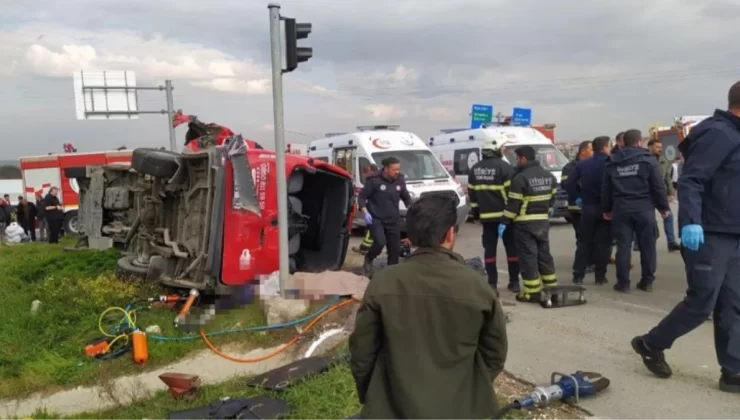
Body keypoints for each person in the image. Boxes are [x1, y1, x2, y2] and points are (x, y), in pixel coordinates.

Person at [349, 194, 508, 419]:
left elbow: (362, 352)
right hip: (460, 409)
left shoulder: (384, 282)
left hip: (392, 408)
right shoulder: (477, 286)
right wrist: (470, 391)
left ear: (410, 237)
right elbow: (494, 353)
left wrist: (373, 395)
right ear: (450, 233)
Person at [631, 81, 740, 393]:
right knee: (702, 302)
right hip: (709, 234)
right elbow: (692, 180)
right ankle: (651, 344)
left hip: (732, 234)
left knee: (733, 304)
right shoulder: (719, 134)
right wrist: (690, 222)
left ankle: (733, 370)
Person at [602, 129, 670, 293]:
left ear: (623, 143)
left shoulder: (612, 161)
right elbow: (659, 186)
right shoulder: (648, 160)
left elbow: (606, 189)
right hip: (644, 209)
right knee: (648, 246)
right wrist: (663, 207)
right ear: (640, 142)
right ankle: (647, 281)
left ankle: (623, 283)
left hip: (621, 209)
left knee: (623, 247)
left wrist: (607, 209)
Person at [499, 146, 559, 302]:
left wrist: (504, 222)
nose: (516, 162)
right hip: (542, 223)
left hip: (525, 224)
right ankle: (552, 288)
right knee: (544, 255)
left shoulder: (520, 178)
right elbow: (552, 200)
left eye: (517, 159)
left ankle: (532, 293)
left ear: (524, 158)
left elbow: (513, 204)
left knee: (528, 257)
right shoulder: (550, 177)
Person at [467, 132, 520, 294]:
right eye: (503, 147)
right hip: (505, 219)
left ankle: (492, 284)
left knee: (490, 252)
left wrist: (476, 215)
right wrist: (511, 215)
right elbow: (511, 195)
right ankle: (514, 282)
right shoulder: (506, 168)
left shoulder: (475, 169)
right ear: (496, 148)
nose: (504, 150)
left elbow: (473, 196)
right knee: (512, 250)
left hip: (486, 219)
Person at [567, 136, 612, 285]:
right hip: (606, 208)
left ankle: (578, 275)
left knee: (584, 242)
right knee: (603, 244)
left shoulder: (583, 164)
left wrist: (577, 197)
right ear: (605, 147)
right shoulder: (611, 163)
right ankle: (600, 276)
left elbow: (569, 183)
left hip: (587, 207)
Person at [357, 157, 413, 277]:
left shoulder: (400, 180)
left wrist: (412, 209)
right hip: (376, 218)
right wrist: (365, 211)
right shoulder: (374, 180)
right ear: (386, 169)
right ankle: (369, 258)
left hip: (393, 219)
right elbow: (361, 197)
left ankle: (391, 274)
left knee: (395, 250)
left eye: (398, 169)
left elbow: (406, 197)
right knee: (379, 242)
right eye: (394, 170)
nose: (397, 172)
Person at [647, 140, 681, 252]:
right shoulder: (644, 159)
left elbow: (667, 178)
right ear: (650, 147)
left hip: (660, 194)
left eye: (661, 147)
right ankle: (641, 243)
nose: (660, 149)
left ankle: (671, 243)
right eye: (657, 147)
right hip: (646, 195)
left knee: (668, 216)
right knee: (648, 219)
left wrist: (671, 193)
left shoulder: (663, 161)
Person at [561, 141, 593, 236]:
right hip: (576, 208)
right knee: (582, 238)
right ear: (583, 152)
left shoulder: (593, 165)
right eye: (591, 150)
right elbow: (566, 185)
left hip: (591, 207)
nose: (594, 152)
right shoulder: (569, 167)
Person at [353, 164, 380, 255]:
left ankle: (364, 249)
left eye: (366, 172)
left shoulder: (373, 181)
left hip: (374, 210)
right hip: (373, 209)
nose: (365, 174)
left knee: (370, 232)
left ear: (372, 171)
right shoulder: (378, 179)